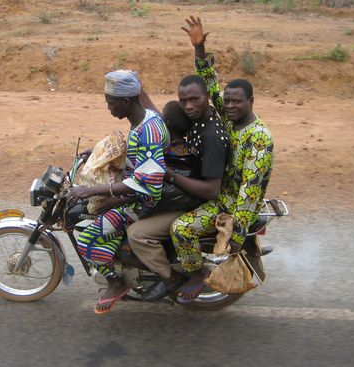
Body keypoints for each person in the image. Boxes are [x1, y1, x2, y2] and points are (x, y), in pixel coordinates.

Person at [169, 15, 274, 303]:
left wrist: (235, 231)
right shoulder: (229, 119)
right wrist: (199, 48)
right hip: (215, 187)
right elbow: (207, 83)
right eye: (227, 101)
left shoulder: (259, 138)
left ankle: (195, 273)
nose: (229, 105)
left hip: (229, 201)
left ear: (251, 102)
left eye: (237, 101)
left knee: (180, 229)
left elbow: (249, 191)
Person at [67, 69, 170, 314]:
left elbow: (150, 183)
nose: (109, 108)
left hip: (144, 205)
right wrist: (96, 154)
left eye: (110, 103)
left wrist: (100, 193)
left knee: (88, 238)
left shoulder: (147, 133)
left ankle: (117, 282)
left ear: (126, 101)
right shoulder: (148, 119)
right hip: (137, 193)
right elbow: (138, 162)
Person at [127, 74, 229, 302]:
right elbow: (160, 118)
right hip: (187, 191)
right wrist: (138, 88)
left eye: (194, 100)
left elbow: (212, 191)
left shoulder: (211, 136)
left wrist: (169, 176)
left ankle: (176, 276)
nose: (188, 106)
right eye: (184, 102)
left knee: (137, 233)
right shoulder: (197, 121)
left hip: (200, 200)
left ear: (206, 97)